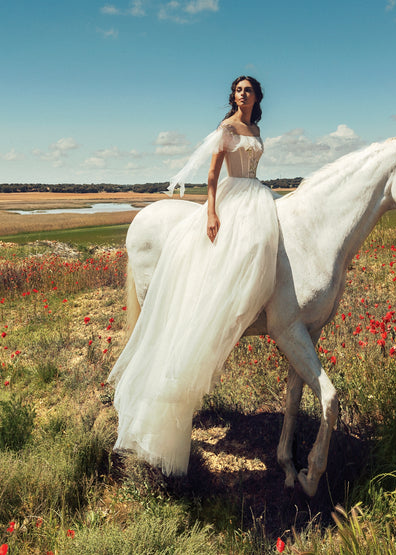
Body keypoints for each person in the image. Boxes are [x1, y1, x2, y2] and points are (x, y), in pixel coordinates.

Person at [108, 76, 280, 476]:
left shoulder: (255, 129)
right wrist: (212, 211)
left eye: (248, 90)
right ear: (233, 96)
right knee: (236, 252)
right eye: (237, 90)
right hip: (234, 195)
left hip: (258, 194)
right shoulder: (227, 128)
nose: (242, 95)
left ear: (257, 97)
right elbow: (212, 174)